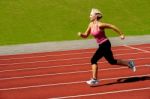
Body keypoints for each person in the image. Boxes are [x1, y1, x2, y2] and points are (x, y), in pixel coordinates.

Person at [78, 8, 136, 86]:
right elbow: (86, 35)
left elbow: (112, 26)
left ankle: (94, 79)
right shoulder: (91, 25)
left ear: (95, 16)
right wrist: (81, 34)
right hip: (102, 45)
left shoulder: (100, 25)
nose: (89, 16)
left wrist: (121, 34)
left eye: (91, 15)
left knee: (93, 60)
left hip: (105, 44)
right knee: (111, 61)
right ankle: (129, 63)